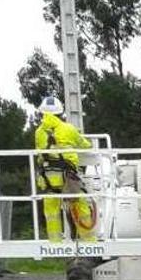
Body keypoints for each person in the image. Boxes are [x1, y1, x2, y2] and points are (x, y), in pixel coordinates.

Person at [34, 96, 95, 242]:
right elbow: (85, 145)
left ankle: (55, 242)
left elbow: (39, 153)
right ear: (61, 114)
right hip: (68, 178)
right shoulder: (69, 129)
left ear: (43, 114)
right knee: (81, 206)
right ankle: (89, 242)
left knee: (51, 210)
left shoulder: (38, 133)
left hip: (48, 178)